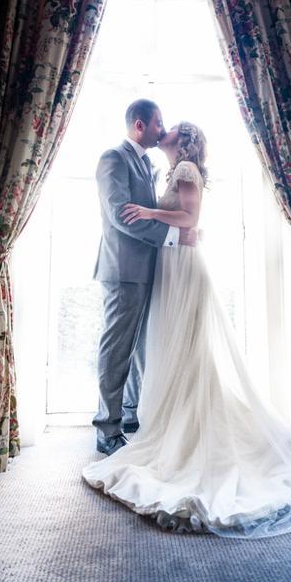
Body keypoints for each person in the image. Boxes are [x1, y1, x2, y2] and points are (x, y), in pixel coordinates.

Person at [83, 121, 291, 539]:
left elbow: (189, 215)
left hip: (184, 269)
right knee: (164, 348)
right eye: (160, 125)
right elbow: (178, 221)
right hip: (168, 265)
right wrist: (172, 227)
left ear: (184, 139)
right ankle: (151, 418)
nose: (164, 131)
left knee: (188, 349)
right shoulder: (158, 168)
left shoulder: (186, 169)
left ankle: (174, 424)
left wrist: (156, 213)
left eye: (170, 128)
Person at [92, 100, 196, 457]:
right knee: (117, 347)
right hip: (123, 270)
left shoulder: (147, 163)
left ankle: (130, 414)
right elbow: (122, 216)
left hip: (150, 270)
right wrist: (172, 238)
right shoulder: (114, 158)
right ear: (140, 125)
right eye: (158, 123)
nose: (161, 129)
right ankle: (107, 428)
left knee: (139, 348)